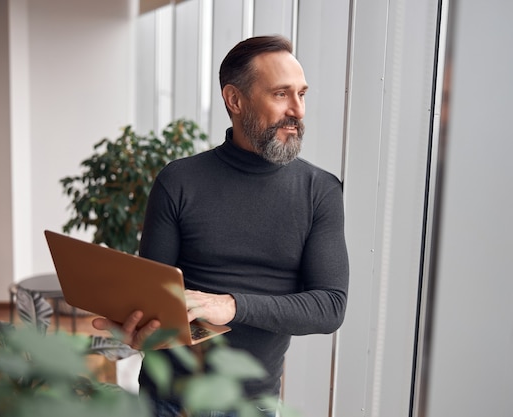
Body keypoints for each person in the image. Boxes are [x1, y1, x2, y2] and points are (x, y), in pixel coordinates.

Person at [93, 35, 349, 417]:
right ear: (235, 99)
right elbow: (153, 296)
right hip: (167, 401)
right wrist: (138, 327)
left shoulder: (320, 190)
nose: (298, 109)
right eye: (281, 94)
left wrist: (230, 305)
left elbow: (330, 305)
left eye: (302, 93)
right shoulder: (177, 181)